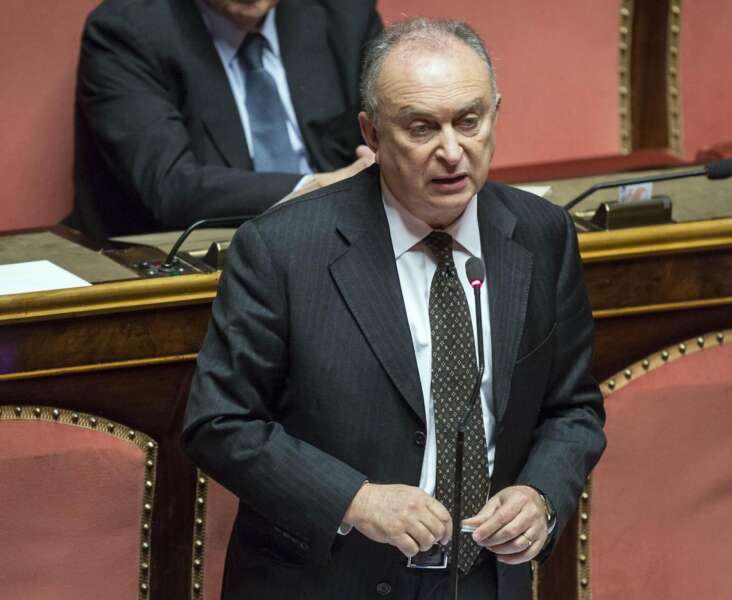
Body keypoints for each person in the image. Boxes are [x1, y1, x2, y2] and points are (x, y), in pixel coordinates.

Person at [182, 17, 605, 600]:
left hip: (482, 581)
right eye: (422, 127)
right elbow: (219, 422)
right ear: (373, 133)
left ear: (495, 114)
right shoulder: (282, 248)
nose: (451, 152)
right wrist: (356, 500)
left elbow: (573, 408)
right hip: (331, 581)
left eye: (469, 121)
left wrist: (541, 496)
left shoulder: (541, 234)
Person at [68, 0, 382, 241]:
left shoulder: (344, 13)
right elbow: (169, 187)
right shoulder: (126, 31)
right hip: (194, 264)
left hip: (341, 243)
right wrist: (318, 187)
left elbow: (388, 135)